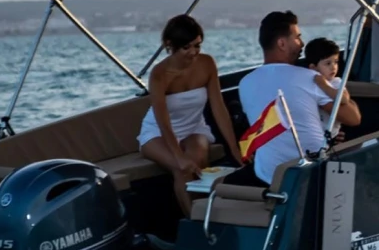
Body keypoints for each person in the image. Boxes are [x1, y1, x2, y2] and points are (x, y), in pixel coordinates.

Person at [237, 11, 361, 184]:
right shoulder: (309, 78)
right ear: (282, 43)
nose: (302, 44)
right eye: (297, 37)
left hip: (268, 175)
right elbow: (353, 118)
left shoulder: (245, 84)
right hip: (311, 171)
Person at [138, 14, 243, 217]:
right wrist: (178, 155)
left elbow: (218, 108)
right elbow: (162, 120)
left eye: (197, 46)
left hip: (194, 128)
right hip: (158, 131)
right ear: (170, 45)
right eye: (187, 47)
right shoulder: (159, 74)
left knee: (198, 162)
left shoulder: (207, 64)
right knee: (182, 169)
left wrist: (234, 149)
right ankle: (195, 227)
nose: (193, 53)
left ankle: (208, 220)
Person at [305, 37, 348, 140]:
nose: (333, 67)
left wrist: (324, 85)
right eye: (328, 63)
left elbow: (344, 99)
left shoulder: (336, 82)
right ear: (313, 68)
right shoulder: (307, 83)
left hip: (332, 135)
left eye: (336, 62)